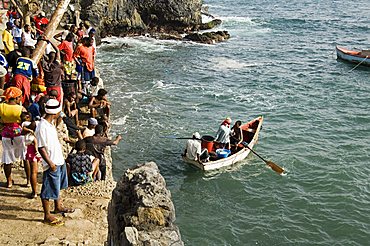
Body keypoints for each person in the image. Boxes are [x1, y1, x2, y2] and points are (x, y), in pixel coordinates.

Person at [36, 99, 74, 226]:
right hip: (52, 162)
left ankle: (58, 206)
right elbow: (41, 148)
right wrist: (50, 163)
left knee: (58, 185)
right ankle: (46, 215)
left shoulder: (49, 123)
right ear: (54, 113)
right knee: (48, 188)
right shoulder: (42, 127)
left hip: (58, 159)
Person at [0, 87, 26, 188]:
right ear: (16, 98)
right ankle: (28, 181)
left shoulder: (1, 107)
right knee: (24, 157)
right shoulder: (21, 109)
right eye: (19, 97)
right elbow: (25, 120)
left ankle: (9, 181)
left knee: (7, 158)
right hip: (18, 133)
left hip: (6, 133)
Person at [21, 112, 41, 198]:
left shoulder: (23, 125)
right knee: (34, 172)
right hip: (34, 149)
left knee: (33, 172)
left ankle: (34, 192)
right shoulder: (32, 125)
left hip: (29, 149)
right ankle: (35, 191)